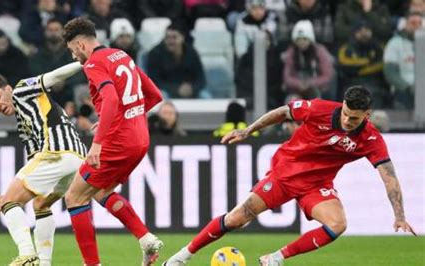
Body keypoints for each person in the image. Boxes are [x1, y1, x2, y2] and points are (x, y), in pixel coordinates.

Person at [163, 85, 416, 266]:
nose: (348, 120)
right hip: (285, 173)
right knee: (236, 219)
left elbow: (389, 176)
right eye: (346, 113)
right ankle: (181, 257)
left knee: (338, 224)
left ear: (367, 116)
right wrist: (248, 130)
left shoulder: (371, 139)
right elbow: (284, 112)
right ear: (342, 105)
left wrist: (400, 215)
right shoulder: (319, 109)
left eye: (355, 118)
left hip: (317, 185)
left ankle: (276, 258)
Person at [62, 17, 164, 266]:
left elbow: (110, 99)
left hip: (117, 142)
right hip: (140, 139)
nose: (74, 56)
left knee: (74, 198)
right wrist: (125, 119)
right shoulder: (121, 55)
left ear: (80, 44)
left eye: (72, 50)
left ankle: (92, 264)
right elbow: (154, 94)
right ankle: (145, 238)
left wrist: (97, 143)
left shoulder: (94, 63)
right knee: (101, 192)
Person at [0, 62, 86, 266]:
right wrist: (8, 195)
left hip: (58, 151)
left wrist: (85, 61)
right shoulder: (23, 120)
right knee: (41, 204)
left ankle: (27, 255)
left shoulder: (22, 89)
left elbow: (54, 76)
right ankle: (44, 263)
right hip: (76, 158)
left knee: (10, 203)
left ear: (8, 88)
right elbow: (34, 159)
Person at [146, 22, 206, 99]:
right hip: (166, 91)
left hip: (190, 90)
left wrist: (192, 88)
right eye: (167, 37)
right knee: (162, 95)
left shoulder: (191, 52)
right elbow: (153, 81)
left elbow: (201, 78)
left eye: (174, 37)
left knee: (205, 96)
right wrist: (176, 89)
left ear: (182, 38)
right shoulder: (155, 53)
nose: (170, 41)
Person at [283, 20, 334, 99]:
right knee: (292, 101)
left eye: (304, 39)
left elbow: (327, 75)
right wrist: (299, 84)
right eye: (298, 39)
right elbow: (287, 77)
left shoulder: (320, 52)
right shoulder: (291, 53)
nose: (301, 42)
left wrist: (311, 83)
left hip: (319, 90)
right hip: (297, 90)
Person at [383, 11, 423, 109]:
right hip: (403, 90)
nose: (416, 26)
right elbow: (390, 72)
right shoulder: (395, 43)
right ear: (405, 24)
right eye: (413, 23)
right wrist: (407, 87)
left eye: (419, 23)